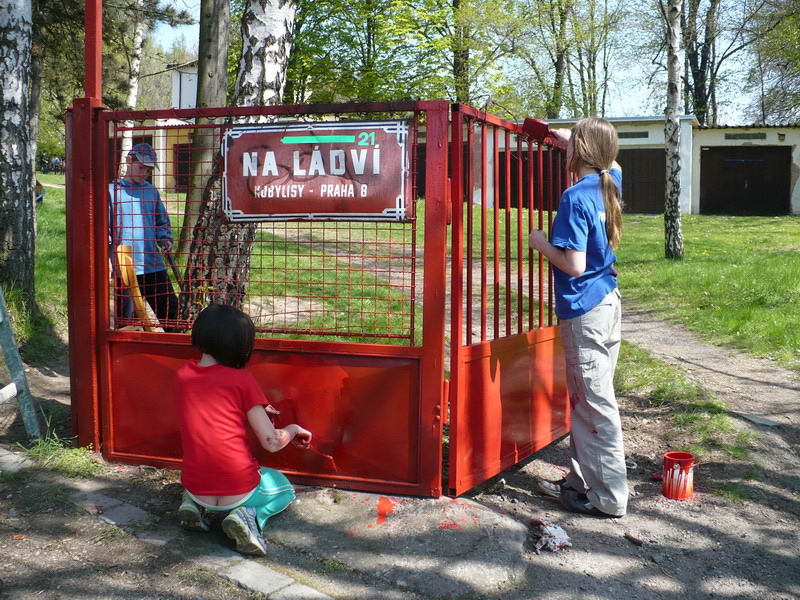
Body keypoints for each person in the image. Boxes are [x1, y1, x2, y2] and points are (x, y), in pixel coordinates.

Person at [528, 116, 627, 518]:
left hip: (584, 309)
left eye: (571, 145)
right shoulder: (607, 183)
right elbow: (615, 164)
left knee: (593, 403)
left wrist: (540, 243)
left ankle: (609, 499)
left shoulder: (575, 196)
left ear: (579, 152)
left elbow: (573, 264)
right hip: (607, 302)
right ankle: (579, 482)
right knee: (588, 400)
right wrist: (572, 137)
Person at [174, 304, 313, 555]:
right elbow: (271, 441)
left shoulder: (182, 375)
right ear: (241, 346)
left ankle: (192, 504)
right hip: (238, 488)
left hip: (196, 484)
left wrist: (252, 407)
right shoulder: (243, 380)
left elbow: (212, 407)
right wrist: (292, 429)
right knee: (284, 489)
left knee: (202, 470)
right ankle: (249, 517)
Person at [110, 143, 178, 330]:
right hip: (124, 268)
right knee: (126, 322)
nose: (144, 173)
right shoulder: (111, 192)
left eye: (148, 170)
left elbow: (161, 221)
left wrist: (165, 238)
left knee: (171, 311)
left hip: (152, 264)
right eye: (141, 168)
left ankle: (174, 350)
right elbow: (105, 230)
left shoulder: (150, 191)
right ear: (129, 160)